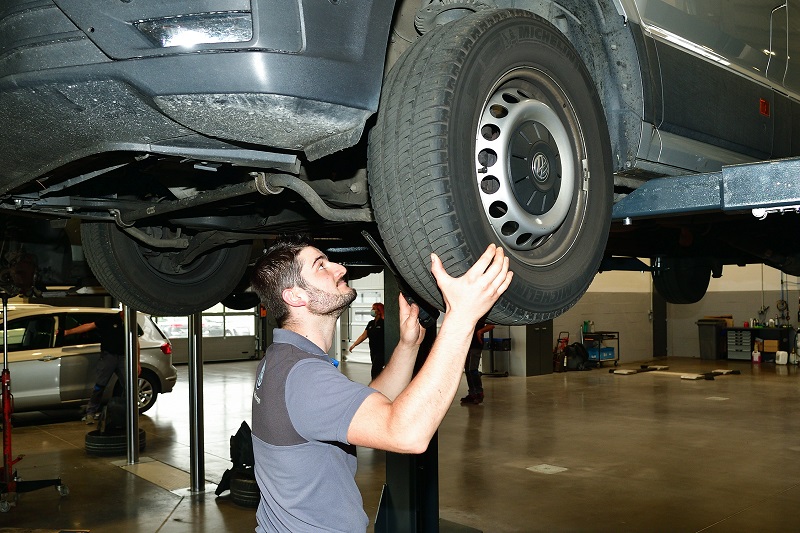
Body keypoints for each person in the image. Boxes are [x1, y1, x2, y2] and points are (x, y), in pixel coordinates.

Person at [249, 236, 512, 532]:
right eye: (321, 266)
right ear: (296, 297)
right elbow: (407, 434)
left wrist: (407, 346)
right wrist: (462, 317)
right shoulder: (303, 376)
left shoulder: (282, 358)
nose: (339, 268)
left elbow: (365, 408)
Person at [61, 310, 139, 424]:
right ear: (122, 311)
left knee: (130, 386)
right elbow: (89, 326)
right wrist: (68, 332)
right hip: (108, 357)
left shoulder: (131, 322)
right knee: (100, 386)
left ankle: (127, 412)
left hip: (124, 358)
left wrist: (137, 363)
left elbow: (136, 342)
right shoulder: (108, 319)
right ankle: (90, 413)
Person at [347, 302, 385, 380]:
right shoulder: (371, 323)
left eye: (374, 309)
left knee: (375, 370)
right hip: (373, 350)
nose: (372, 310)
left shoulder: (384, 323)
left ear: (379, 311)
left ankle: (375, 385)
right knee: (377, 370)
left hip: (381, 351)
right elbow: (364, 336)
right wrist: (354, 345)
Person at [460, 321, 495, 405]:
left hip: (476, 344)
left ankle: (478, 393)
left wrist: (480, 332)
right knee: (468, 370)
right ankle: (472, 393)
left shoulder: (481, 313)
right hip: (468, 344)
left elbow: (491, 325)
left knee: (472, 369)